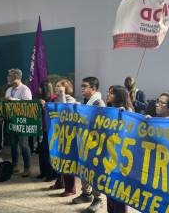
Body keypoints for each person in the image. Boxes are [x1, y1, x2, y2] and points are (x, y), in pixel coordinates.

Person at [72, 77, 105, 212]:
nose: (82, 88)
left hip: (94, 144)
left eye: (85, 86)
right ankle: (86, 194)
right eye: (82, 86)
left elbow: (100, 125)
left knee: (94, 172)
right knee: (84, 170)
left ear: (94, 88)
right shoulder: (87, 101)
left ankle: (98, 199)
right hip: (84, 141)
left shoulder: (99, 103)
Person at [105, 85, 134, 213]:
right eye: (109, 92)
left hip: (121, 157)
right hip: (109, 154)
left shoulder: (127, 111)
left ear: (119, 96)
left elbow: (131, 132)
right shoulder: (109, 109)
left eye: (111, 93)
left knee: (119, 189)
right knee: (109, 188)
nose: (108, 95)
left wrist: (125, 115)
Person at [49, 78, 77, 197]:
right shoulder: (56, 99)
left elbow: (64, 109)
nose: (56, 88)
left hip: (68, 136)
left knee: (68, 161)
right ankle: (60, 182)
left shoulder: (71, 100)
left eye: (59, 86)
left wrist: (61, 94)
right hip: (59, 134)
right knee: (59, 159)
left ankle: (71, 188)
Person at [5, 68, 32, 177]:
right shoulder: (8, 90)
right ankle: (15, 165)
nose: (8, 78)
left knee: (24, 145)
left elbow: (28, 105)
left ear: (16, 76)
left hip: (22, 122)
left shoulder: (25, 89)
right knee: (13, 145)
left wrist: (12, 100)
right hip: (12, 121)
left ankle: (27, 168)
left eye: (9, 76)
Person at [37, 80, 57, 182]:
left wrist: (44, 106)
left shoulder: (54, 99)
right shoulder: (40, 99)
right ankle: (43, 172)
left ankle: (51, 174)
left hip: (50, 130)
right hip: (41, 129)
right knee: (41, 152)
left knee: (49, 153)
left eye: (40, 88)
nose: (38, 90)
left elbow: (53, 114)